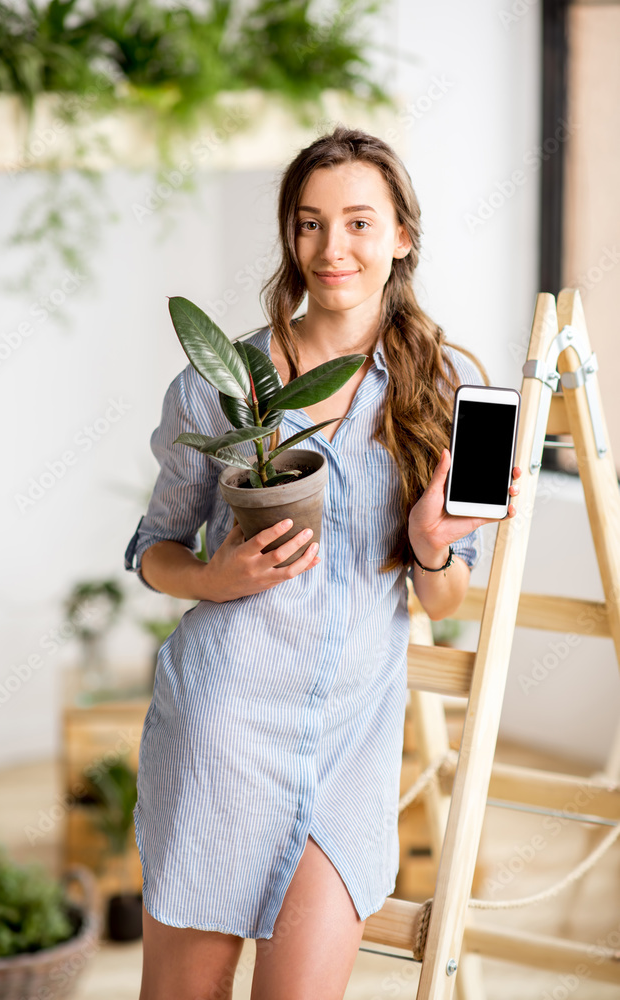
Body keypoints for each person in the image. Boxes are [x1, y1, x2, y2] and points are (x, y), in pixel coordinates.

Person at [124, 124, 521, 1000]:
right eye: (308, 225)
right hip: (221, 728)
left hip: (352, 743)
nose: (331, 249)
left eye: (358, 223)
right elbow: (152, 549)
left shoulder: (451, 385)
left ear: (402, 237)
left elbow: (447, 600)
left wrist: (425, 545)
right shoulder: (222, 379)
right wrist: (212, 577)